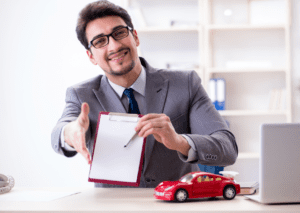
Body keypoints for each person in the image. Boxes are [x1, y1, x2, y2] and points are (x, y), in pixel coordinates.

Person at [51, 0, 238, 188]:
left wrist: (180, 142)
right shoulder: (81, 95)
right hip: (114, 206)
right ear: (91, 56)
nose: (114, 46)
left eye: (120, 33)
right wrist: (70, 133)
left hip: (176, 202)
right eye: (100, 41)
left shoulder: (185, 83)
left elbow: (227, 148)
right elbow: (60, 132)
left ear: (135, 37)